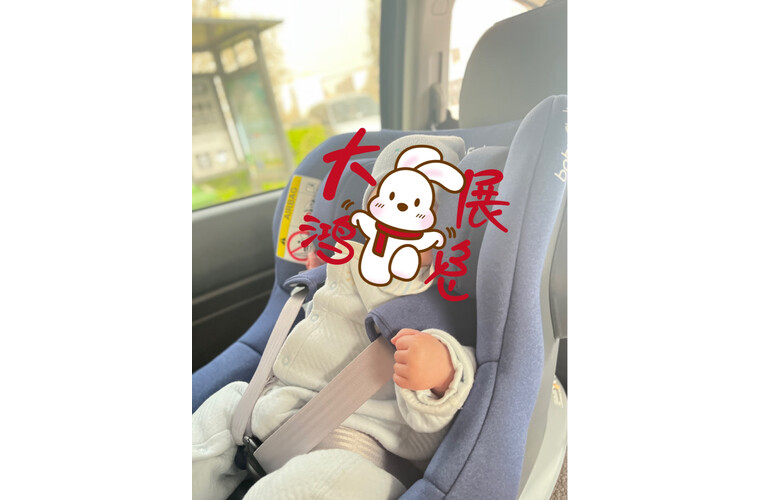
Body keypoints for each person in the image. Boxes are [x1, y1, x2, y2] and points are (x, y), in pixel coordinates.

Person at [192, 136, 476, 500]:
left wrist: (443, 373)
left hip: (359, 446)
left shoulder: (439, 296)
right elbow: (325, 331)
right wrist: (320, 293)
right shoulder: (348, 262)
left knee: (308, 489)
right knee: (219, 410)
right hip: (279, 405)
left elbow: (466, 372)